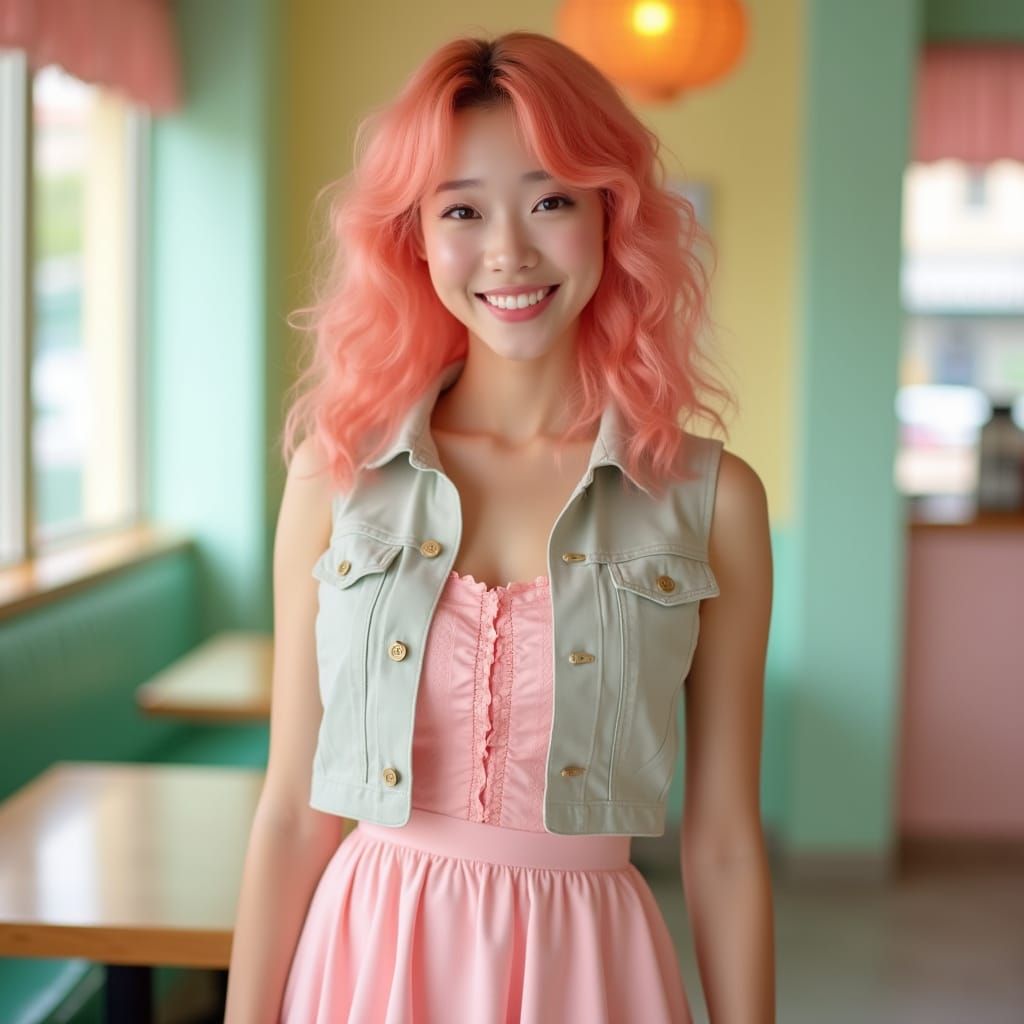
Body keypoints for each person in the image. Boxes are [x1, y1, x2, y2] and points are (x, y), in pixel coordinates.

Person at [225, 29, 775, 1024]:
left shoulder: (713, 498)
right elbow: (291, 816)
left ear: (610, 215)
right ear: (415, 237)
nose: (509, 251)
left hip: (589, 971)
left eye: (550, 200)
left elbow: (727, 843)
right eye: (462, 210)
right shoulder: (335, 475)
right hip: (369, 963)